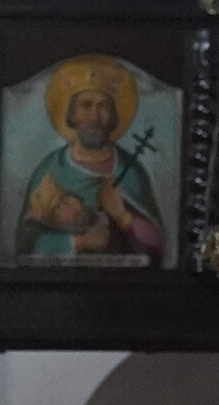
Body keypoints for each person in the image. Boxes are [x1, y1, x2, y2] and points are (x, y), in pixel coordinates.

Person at [16, 59, 165, 265]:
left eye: (103, 107)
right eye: (85, 105)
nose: (94, 117)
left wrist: (123, 217)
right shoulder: (50, 169)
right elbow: (26, 244)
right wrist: (78, 243)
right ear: (72, 115)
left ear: (113, 116)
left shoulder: (130, 171)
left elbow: (158, 246)